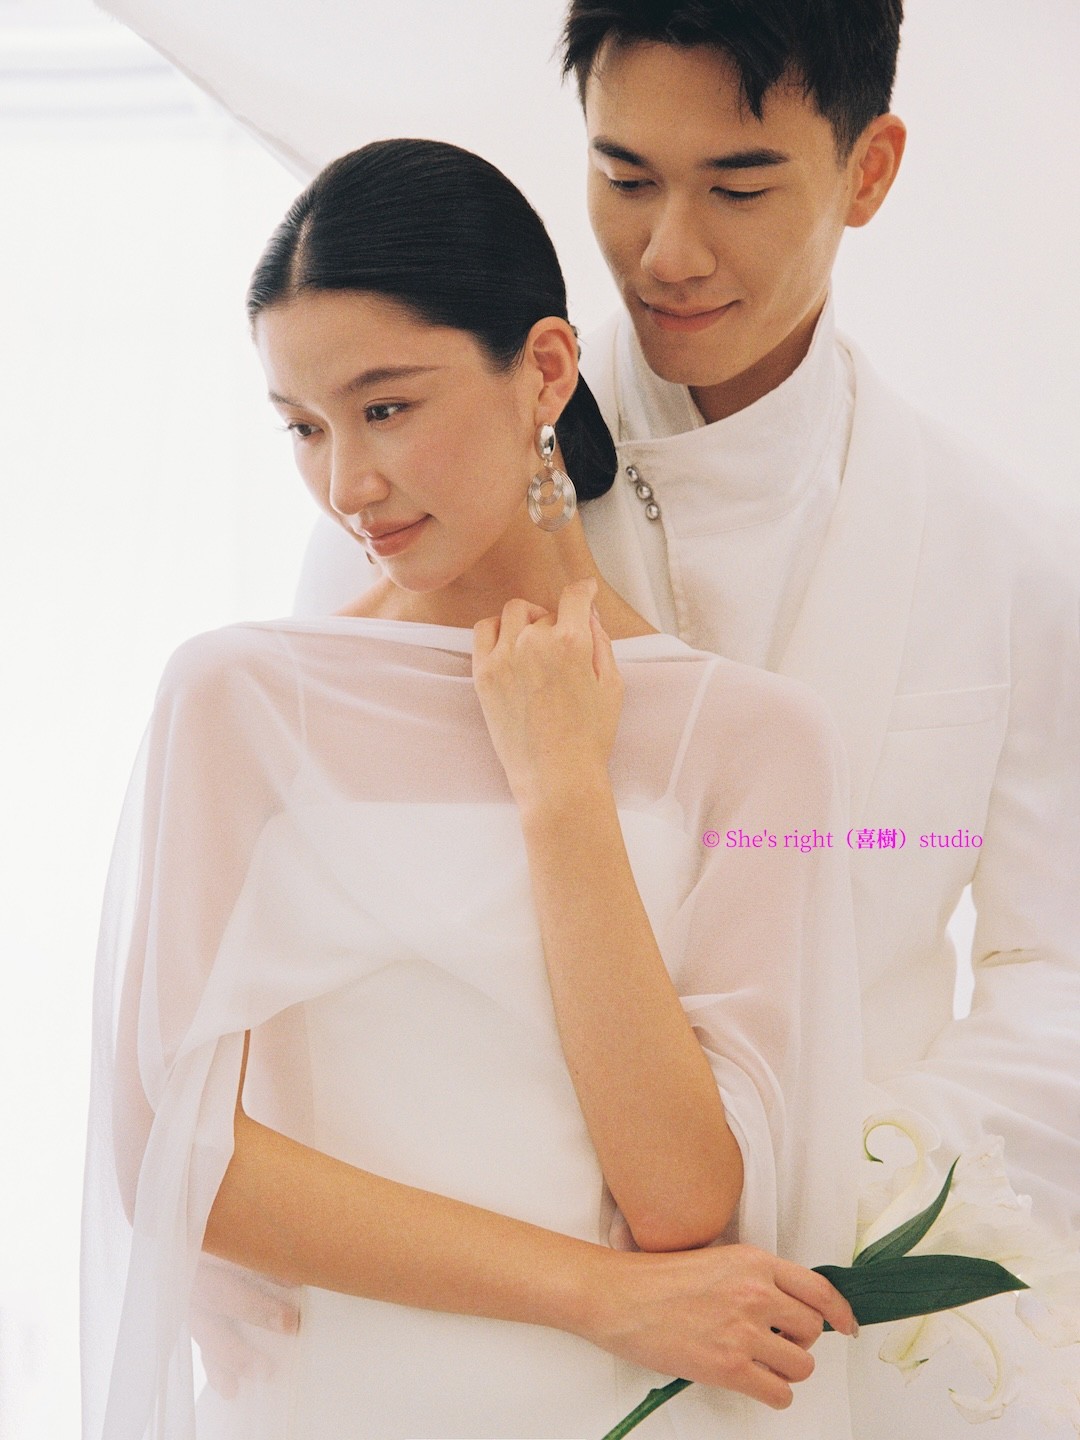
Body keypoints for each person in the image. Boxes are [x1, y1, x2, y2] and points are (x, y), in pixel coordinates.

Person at [290, 9, 1080, 1436]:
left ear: (869, 170)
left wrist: (852, 1172)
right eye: (625, 176)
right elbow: (319, 939)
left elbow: (1057, 963)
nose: (667, 252)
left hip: (831, 1334)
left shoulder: (1007, 558)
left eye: (738, 185)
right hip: (485, 1314)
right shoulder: (418, 487)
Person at [82, 138, 863, 1440]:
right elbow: (176, 1158)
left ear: (544, 370)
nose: (347, 484)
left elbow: (685, 1202)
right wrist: (598, 1296)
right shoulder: (241, 702)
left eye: (387, 408)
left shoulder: (755, 740)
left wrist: (562, 794)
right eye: (304, 427)